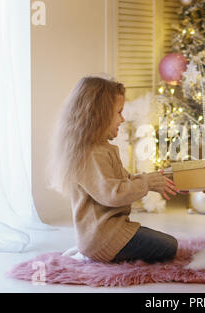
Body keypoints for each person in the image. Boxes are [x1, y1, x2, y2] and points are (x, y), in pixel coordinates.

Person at [49, 75, 179, 263]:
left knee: (161, 240)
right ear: (99, 115)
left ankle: (87, 251)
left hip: (112, 231)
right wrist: (146, 183)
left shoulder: (101, 149)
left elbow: (122, 181)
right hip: (105, 239)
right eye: (118, 112)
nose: (122, 119)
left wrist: (149, 180)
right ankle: (89, 255)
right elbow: (113, 194)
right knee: (169, 247)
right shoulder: (93, 154)